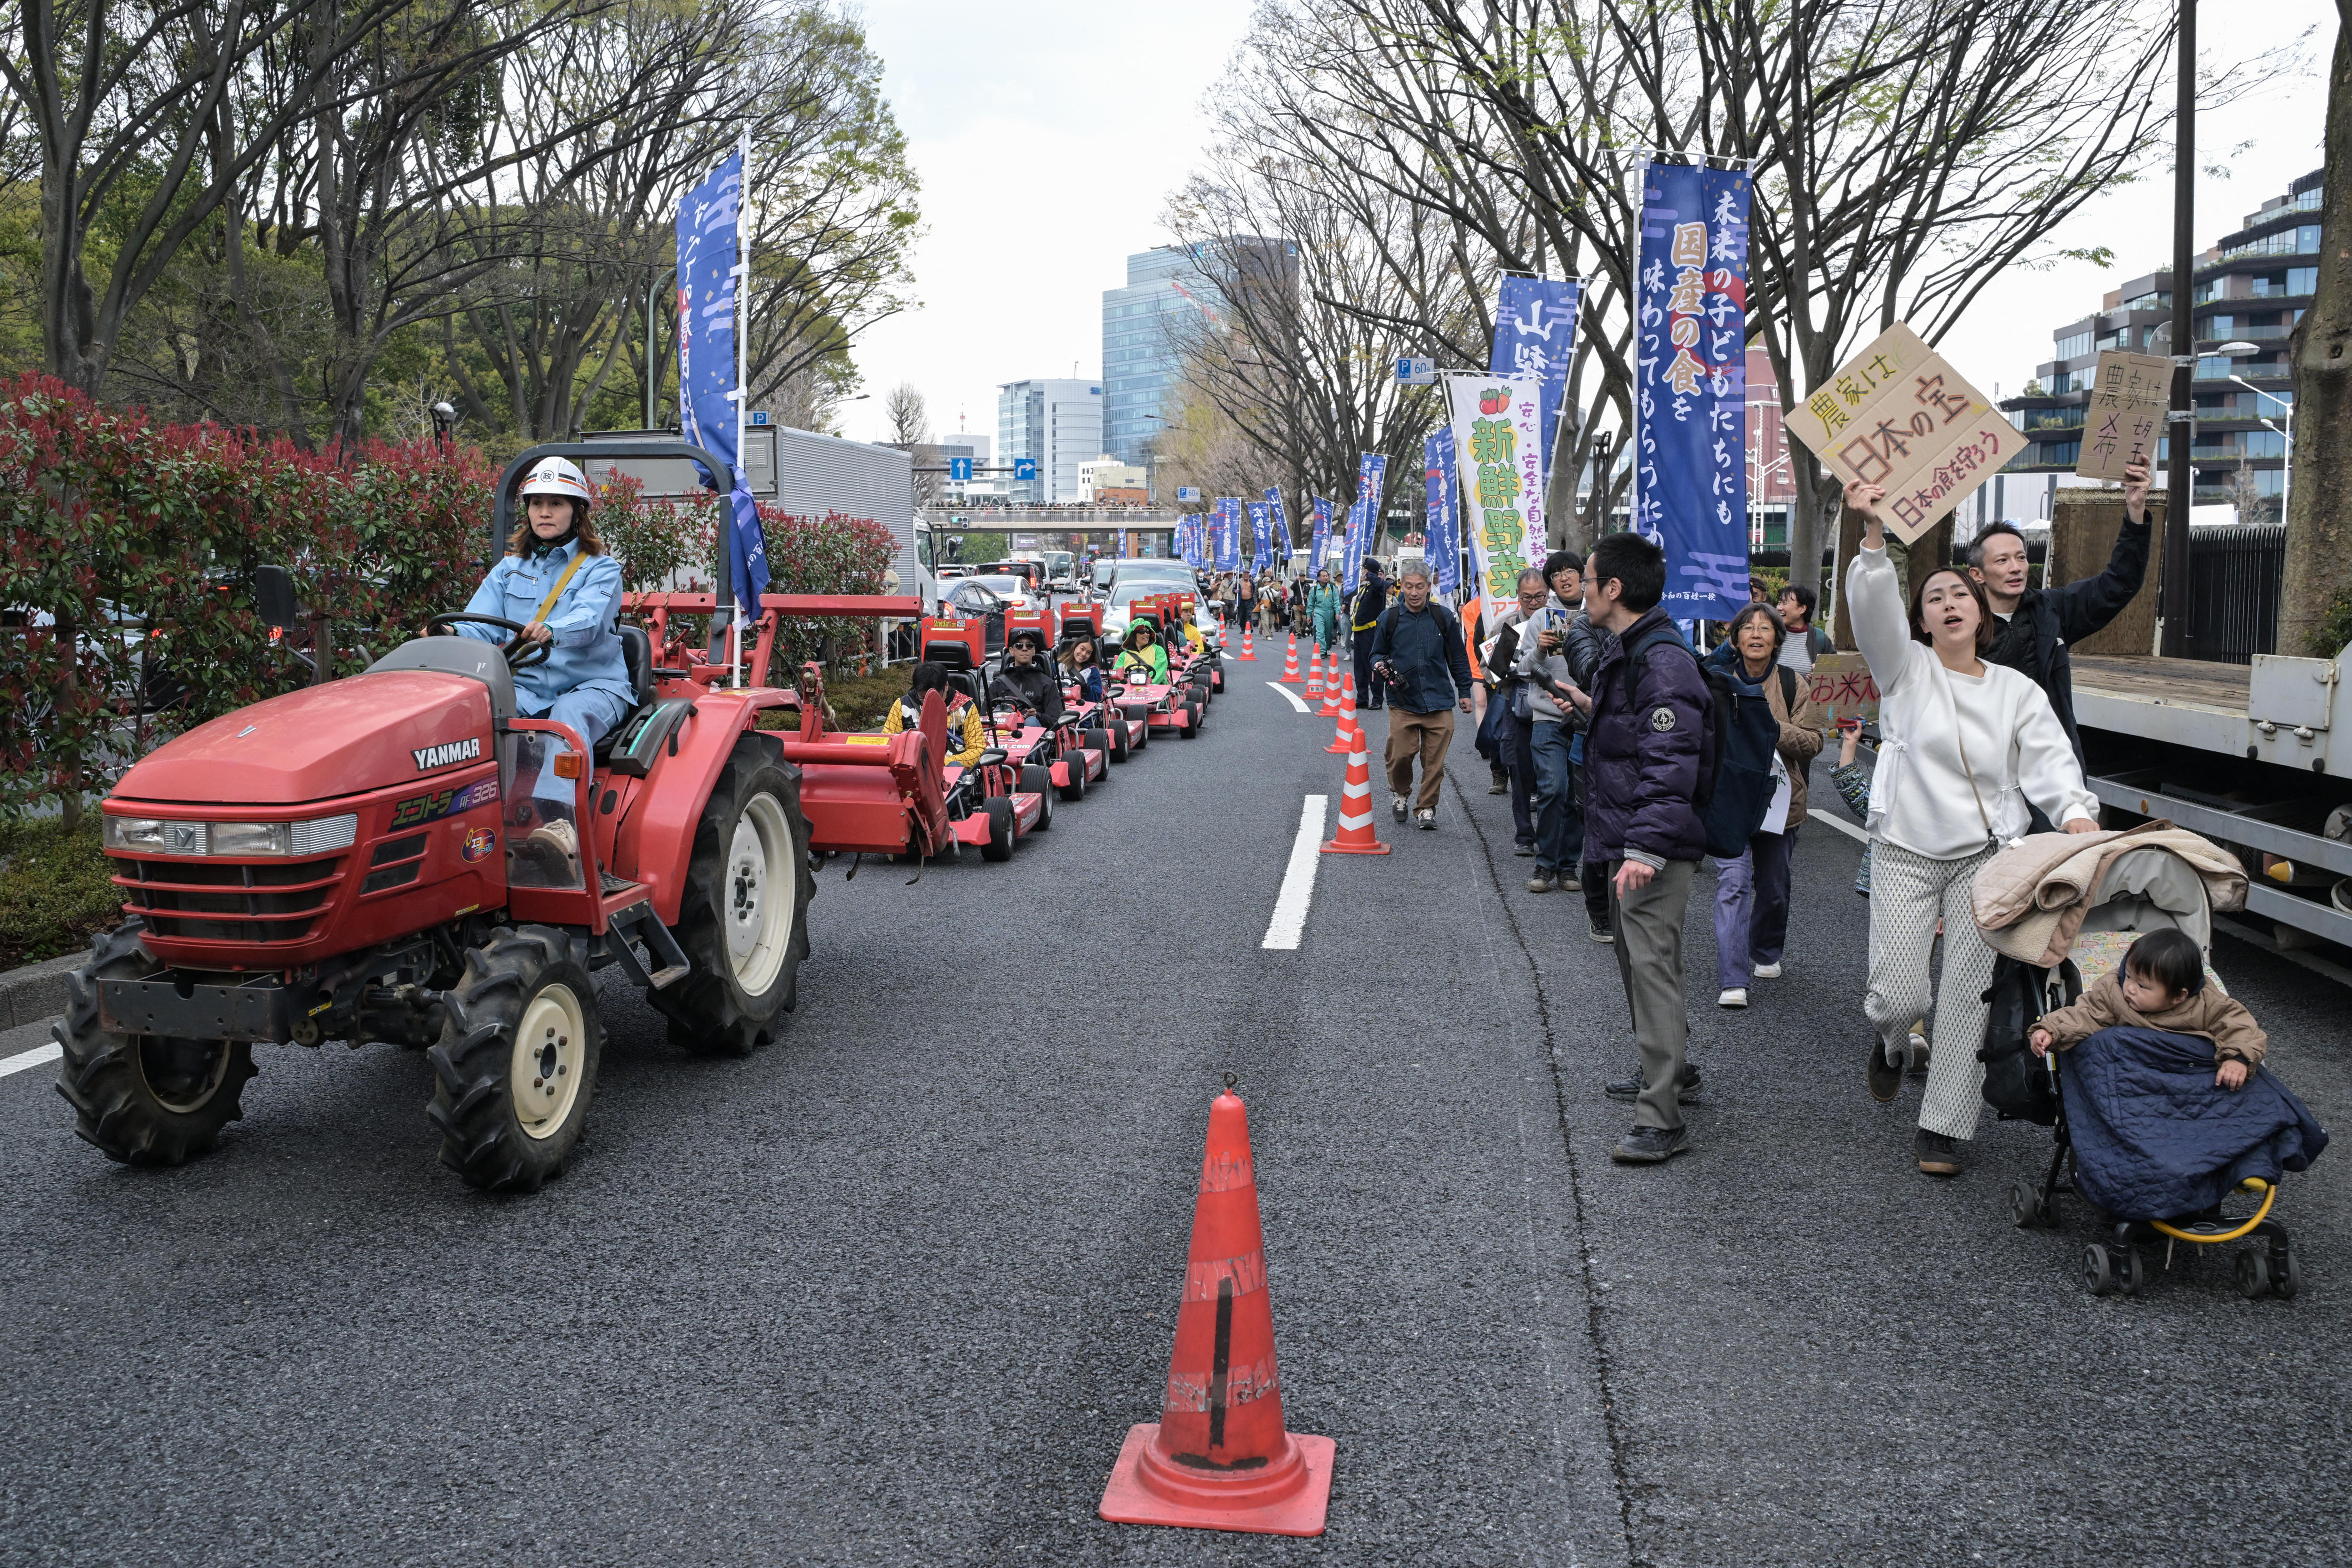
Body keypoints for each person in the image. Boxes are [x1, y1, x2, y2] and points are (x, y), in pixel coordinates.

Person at [1846, 479, 2101, 1178]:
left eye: (1960, 594)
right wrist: (1874, 536)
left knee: (1964, 995)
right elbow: (1871, 613)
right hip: (1904, 850)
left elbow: (2050, 759)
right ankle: (1895, 1045)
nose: (1950, 604)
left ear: (1980, 612)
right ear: (1921, 621)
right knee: (1900, 995)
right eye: (1935, 598)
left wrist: (2076, 812)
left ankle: (1943, 1128)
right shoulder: (1904, 671)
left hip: (1984, 859)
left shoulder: (2017, 690)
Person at [1565, 531, 1711, 1165]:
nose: (1583, 593)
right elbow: (1640, 736)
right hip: (1629, 836)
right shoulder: (1634, 649)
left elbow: (1672, 761)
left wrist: (1645, 849)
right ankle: (1673, 1070)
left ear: (1613, 589)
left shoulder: (1662, 659)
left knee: (1652, 968)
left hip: (1650, 845)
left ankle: (1662, 1115)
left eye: (1589, 582)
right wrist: (1586, 707)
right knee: (1641, 960)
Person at [451, 456, 631, 871]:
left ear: (577, 512)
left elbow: (588, 621)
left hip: (594, 685)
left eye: (556, 503)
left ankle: (560, 824)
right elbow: (477, 623)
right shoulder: (508, 570)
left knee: (566, 718)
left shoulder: (600, 569)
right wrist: (449, 635)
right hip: (530, 686)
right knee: (482, 713)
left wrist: (552, 628)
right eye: (536, 504)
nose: (544, 512)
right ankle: (477, 823)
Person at [1966, 454, 2153, 770]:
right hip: (1991, 772)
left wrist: (2135, 510)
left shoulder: (2052, 609)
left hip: (2054, 766)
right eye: (2002, 561)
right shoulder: (1963, 627)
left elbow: (2118, 584)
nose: (2016, 568)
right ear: (1977, 574)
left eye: (2021, 557)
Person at [1701, 604, 1825, 1006]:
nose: (1756, 634)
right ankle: (1733, 978)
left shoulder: (1794, 684)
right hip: (1728, 801)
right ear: (1734, 638)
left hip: (1780, 802)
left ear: (1777, 638)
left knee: (1773, 887)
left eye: (1765, 628)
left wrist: (1769, 729)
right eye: (1748, 628)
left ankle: (1766, 949)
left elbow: (1814, 741)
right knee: (1733, 885)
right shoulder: (1716, 682)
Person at [2029, 928, 2265, 1086]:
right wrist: (2051, 1030)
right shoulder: (2114, 993)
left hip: (2188, 1075)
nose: (2130, 988)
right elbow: (2085, 1013)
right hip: (2134, 1075)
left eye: (2142, 986)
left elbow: (2240, 1026)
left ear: (2178, 996)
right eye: (2128, 976)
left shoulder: (2207, 1003)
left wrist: (2237, 1059)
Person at [1367, 560, 1473, 830]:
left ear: (1429, 587)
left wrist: (1465, 691)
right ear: (1401, 586)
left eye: (1420, 587)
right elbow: (1376, 653)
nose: (1414, 593)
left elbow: (1458, 658)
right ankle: (1401, 793)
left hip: (1439, 700)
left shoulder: (1443, 617)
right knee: (1401, 754)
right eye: (1409, 587)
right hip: (1403, 701)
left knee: (1434, 762)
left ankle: (1426, 807)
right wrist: (1379, 665)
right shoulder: (1389, 618)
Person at [1513, 550, 1588, 894]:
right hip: (1546, 717)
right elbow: (1523, 671)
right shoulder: (1541, 618)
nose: (1565, 577)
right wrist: (1540, 649)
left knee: (1577, 796)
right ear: (1552, 582)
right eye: (1557, 573)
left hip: (1586, 719)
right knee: (1553, 788)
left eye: (1571, 571)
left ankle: (1569, 865)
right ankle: (1545, 863)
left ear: (1583, 576)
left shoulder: (1597, 613)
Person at [1561, 561, 1616, 946]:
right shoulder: (1582, 627)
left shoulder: (1655, 629)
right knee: (1596, 822)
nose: (1581, 587)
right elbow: (1589, 669)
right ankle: (1598, 907)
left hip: (1637, 744)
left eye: (1586, 580)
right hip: (1590, 737)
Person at [1486, 568, 1549, 859]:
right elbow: (1489, 670)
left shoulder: (1557, 621)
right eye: (1527, 597)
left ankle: (1552, 836)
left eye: (1539, 596)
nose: (1534, 603)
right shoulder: (1507, 625)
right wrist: (1508, 668)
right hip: (1518, 705)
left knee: (1551, 776)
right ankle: (1525, 834)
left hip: (1553, 707)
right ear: (1518, 596)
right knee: (1520, 772)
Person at [883, 661, 986, 768]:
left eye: (935, 696)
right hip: (911, 769)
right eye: (923, 697)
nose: (928, 702)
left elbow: (978, 750)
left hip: (951, 772)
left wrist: (945, 763)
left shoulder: (966, 707)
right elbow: (887, 743)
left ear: (946, 686)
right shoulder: (902, 705)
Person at [993, 625, 1064, 724]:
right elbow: (983, 718)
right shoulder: (998, 684)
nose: (1025, 649)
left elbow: (1056, 720)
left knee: (1031, 721)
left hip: (1036, 734)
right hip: (1002, 734)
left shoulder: (1048, 684)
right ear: (1011, 651)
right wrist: (992, 714)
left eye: (1029, 646)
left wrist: (1037, 716)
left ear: (1034, 651)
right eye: (1019, 646)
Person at [1351, 558, 1390, 708]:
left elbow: (1381, 583)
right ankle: (1362, 699)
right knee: (1360, 668)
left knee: (1373, 667)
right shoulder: (1366, 587)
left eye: (1364, 568)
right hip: (1359, 633)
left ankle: (1377, 700)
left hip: (1370, 632)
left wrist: (1371, 575)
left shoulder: (1377, 587)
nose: (1362, 571)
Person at [1773, 584, 1834, 675]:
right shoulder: (1772, 634)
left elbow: (1835, 672)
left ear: (1802, 609)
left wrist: (1819, 675)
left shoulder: (1820, 639)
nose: (1779, 608)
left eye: (1785, 603)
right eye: (1779, 603)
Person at [1113, 619, 1169, 684]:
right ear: (1133, 636)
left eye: (1148, 632)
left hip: (1155, 689)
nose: (1146, 634)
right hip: (1130, 691)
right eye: (1142, 632)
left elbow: (1160, 671)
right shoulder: (1124, 655)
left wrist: (1144, 682)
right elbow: (1116, 676)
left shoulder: (1158, 650)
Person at [1059, 632, 1106, 706]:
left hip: (1082, 709)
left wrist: (1087, 689)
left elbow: (1097, 696)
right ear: (1075, 647)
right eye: (1082, 649)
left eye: (1088, 653)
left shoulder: (1093, 671)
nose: (1084, 654)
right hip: (1059, 706)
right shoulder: (1058, 666)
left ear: (1091, 656)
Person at [1308, 568, 1343, 656]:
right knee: (1320, 632)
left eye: (1327, 576)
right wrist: (1309, 615)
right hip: (1319, 612)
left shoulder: (1332, 588)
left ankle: (1327, 648)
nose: (1326, 578)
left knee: (1328, 633)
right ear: (1319, 578)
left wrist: (1337, 612)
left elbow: (1336, 602)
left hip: (1330, 613)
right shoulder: (1315, 590)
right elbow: (1311, 604)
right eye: (1323, 576)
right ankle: (1322, 651)